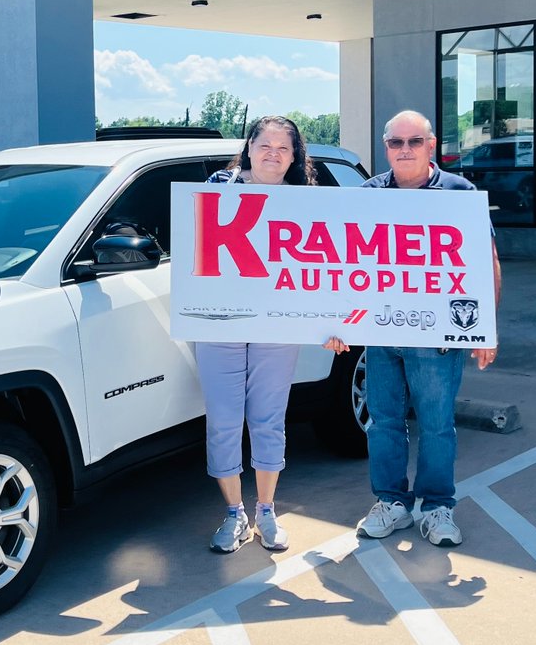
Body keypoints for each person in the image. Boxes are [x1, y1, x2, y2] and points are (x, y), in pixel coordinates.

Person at [325, 110, 501, 548]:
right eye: (396, 143)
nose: (405, 150)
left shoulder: (460, 192)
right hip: (381, 337)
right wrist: (336, 320)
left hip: (437, 339)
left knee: (437, 425)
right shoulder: (366, 194)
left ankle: (438, 507)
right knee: (383, 422)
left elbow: (487, 262)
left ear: (431, 145)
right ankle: (392, 503)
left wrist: (486, 329)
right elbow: (344, 264)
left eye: (414, 142)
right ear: (385, 147)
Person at [196, 115, 316, 554]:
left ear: (293, 155)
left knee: (268, 418)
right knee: (223, 421)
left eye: (283, 148)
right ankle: (234, 514)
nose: (273, 154)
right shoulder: (218, 184)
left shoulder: (304, 199)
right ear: (249, 147)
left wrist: (333, 320)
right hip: (219, 321)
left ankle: (266, 510)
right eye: (265, 145)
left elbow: (323, 269)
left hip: (277, 321)